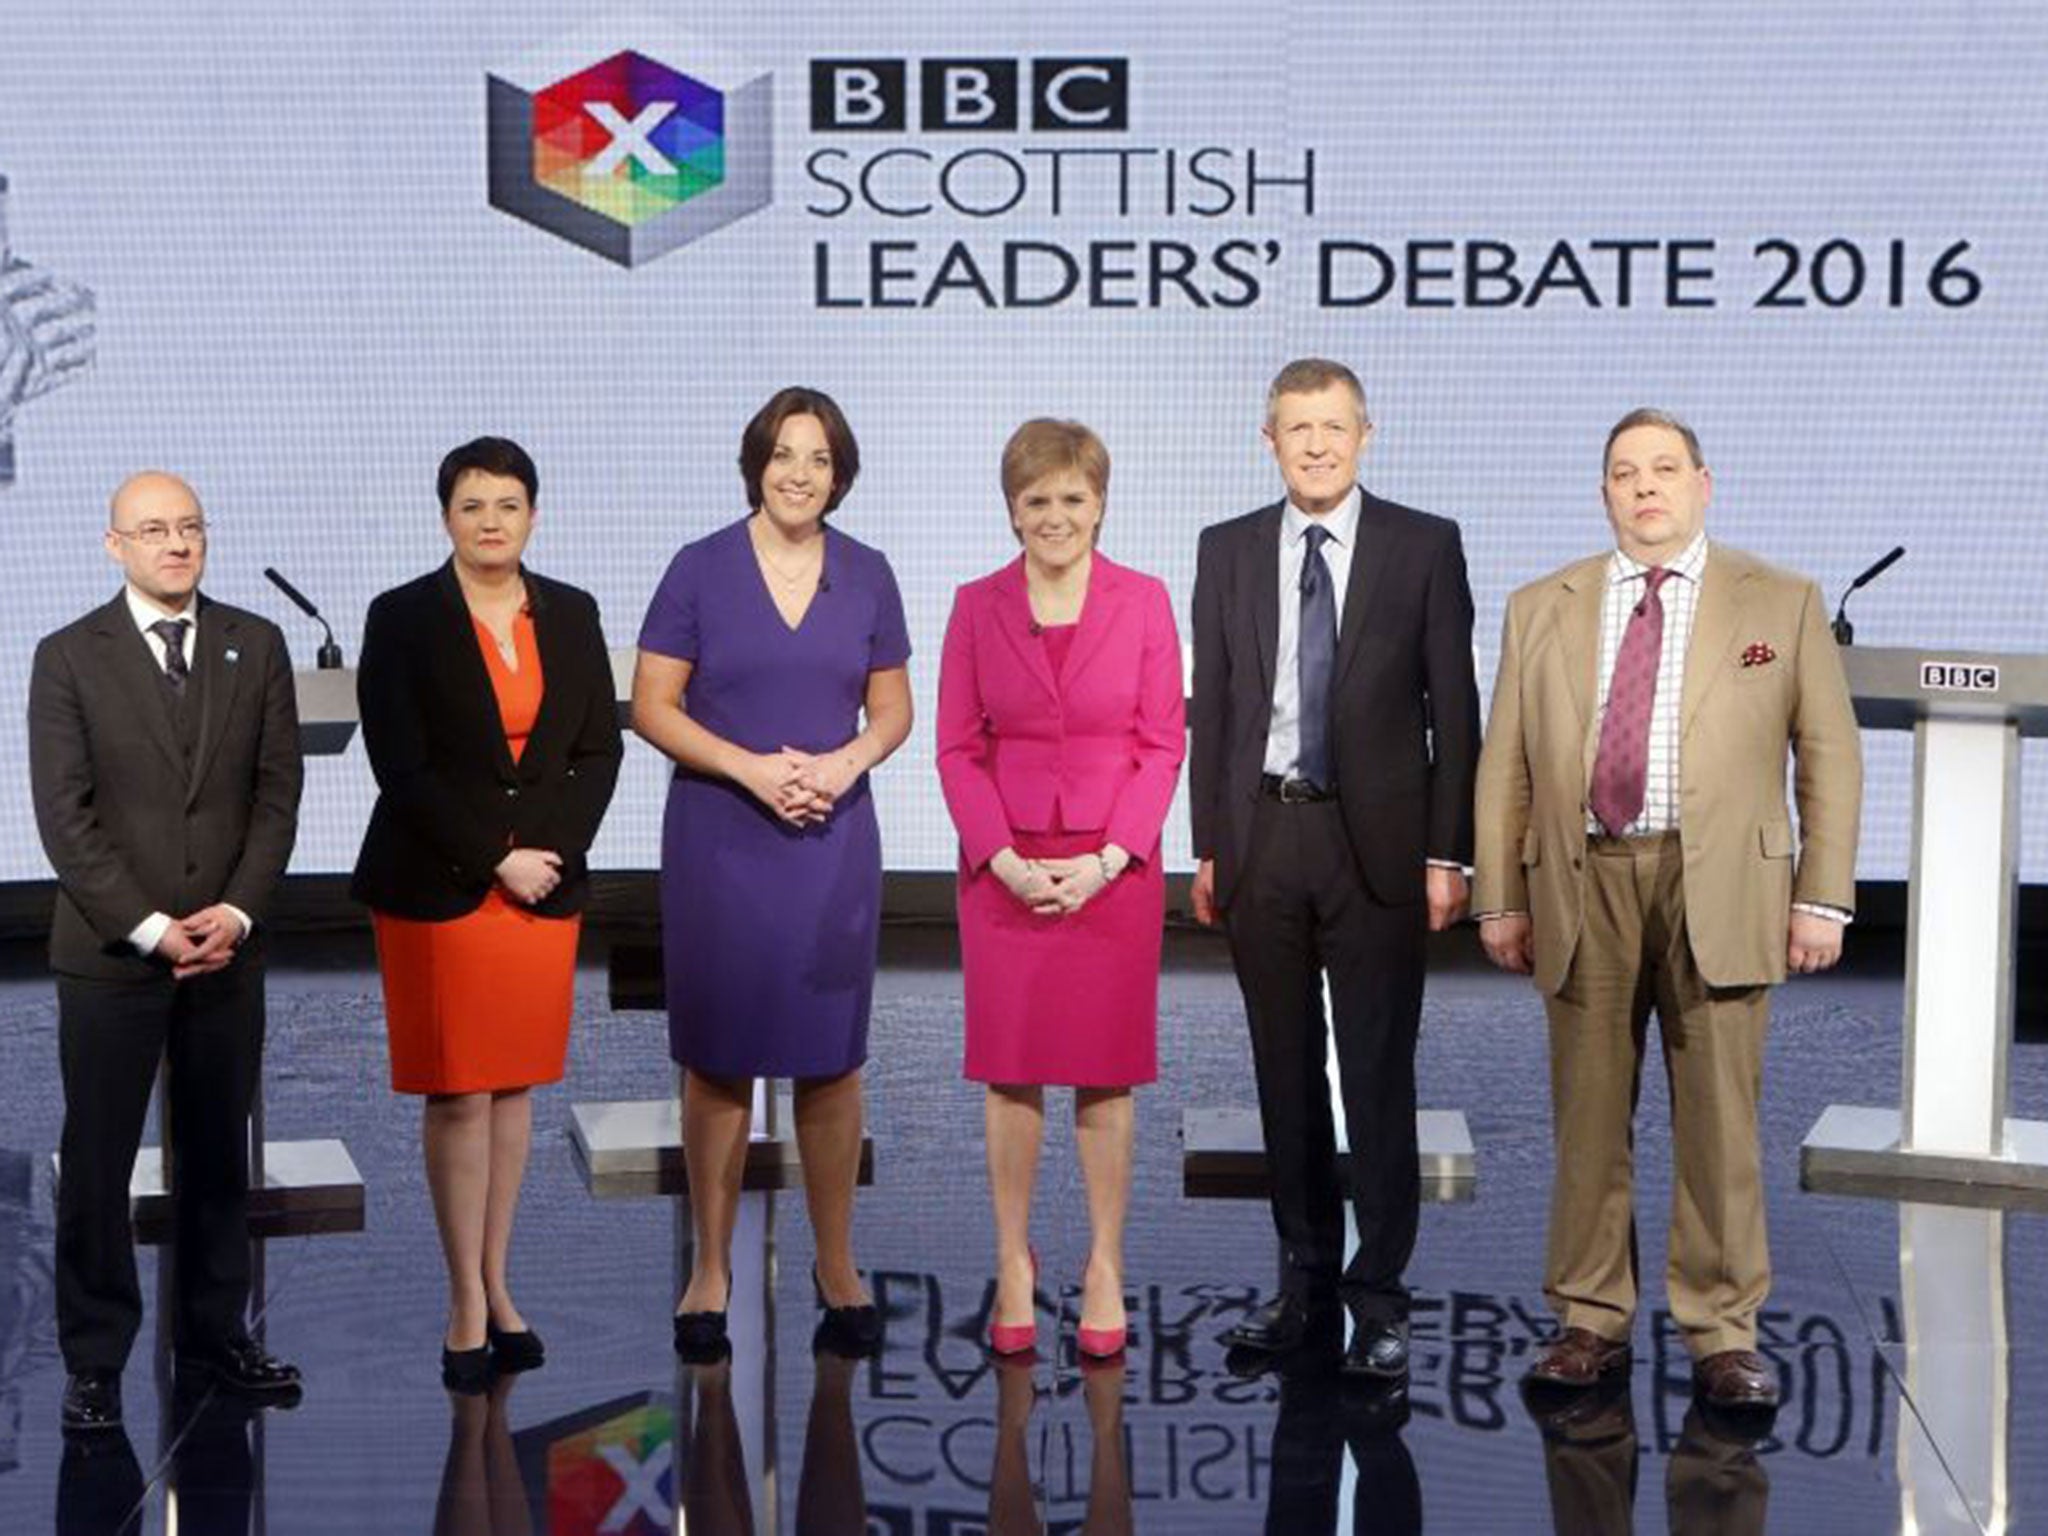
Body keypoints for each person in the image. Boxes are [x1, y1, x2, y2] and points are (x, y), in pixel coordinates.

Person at [1472, 409, 1862, 1408]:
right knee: (1586, 1115)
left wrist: (1821, 893)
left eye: (1661, 469)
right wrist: (1496, 897)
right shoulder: (1539, 606)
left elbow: (1826, 757)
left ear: (1701, 482)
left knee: (1719, 1121)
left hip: (1719, 879)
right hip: (1580, 877)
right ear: (1601, 493)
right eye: (1620, 472)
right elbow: (1503, 764)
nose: (1642, 487)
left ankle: (1721, 1330)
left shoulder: (1779, 600)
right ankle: (1587, 1317)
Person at [1188, 358, 1480, 1380]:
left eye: (1332, 427)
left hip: (1380, 851)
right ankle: (1303, 1281)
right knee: (1281, 1075)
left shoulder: (1422, 546)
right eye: (1295, 429)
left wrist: (1451, 853)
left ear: (1366, 433)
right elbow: (1212, 707)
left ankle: (1382, 1298)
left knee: (1375, 1075)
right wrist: (1209, 846)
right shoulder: (1223, 550)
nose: (1315, 445)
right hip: (1263, 839)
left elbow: (1455, 712)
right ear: (1266, 440)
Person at [632, 386, 913, 1358]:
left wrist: (840, 765)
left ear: (840, 475)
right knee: (718, 1058)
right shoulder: (699, 568)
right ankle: (710, 1268)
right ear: (756, 462)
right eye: (784, 454)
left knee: (831, 1061)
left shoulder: (868, 573)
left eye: (820, 458)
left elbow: (891, 711)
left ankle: (836, 1263)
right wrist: (752, 768)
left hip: (831, 834)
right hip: (721, 833)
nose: (800, 473)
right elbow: (652, 706)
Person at [29, 472, 304, 1434]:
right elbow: (65, 820)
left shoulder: (255, 643)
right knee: (98, 1166)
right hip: (112, 957)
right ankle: (96, 1361)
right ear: (115, 546)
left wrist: (234, 912)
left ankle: (216, 1334)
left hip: (228, 952)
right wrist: (151, 928)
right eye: (154, 530)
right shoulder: (67, 657)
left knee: (217, 1156)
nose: (176, 544)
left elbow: (277, 800)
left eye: (189, 528)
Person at [352, 437, 623, 1390]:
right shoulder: (404, 618)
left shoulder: (575, 613)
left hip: (542, 887)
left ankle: (499, 1283)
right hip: (441, 885)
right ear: (446, 519)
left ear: (534, 515)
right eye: (473, 506)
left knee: (514, 1092)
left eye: (508, 504)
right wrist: (494, 859)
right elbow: (402, 765)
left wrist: (543, 857)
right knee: (459, 1090)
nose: (492, 521)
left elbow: (598, 750)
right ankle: (463, 1297)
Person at [936, 419, 1184, 1359]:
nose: (1055, 516)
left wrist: (1112, 857)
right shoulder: (973, 605)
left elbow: (1163, 743)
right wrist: (998, 857)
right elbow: (957, 745)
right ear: (1011, 509)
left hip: (1108, 871)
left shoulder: (1145, 602)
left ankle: (1106, 1263)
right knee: (1011, 1075)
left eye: (1072, 498)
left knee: (1104, 1079)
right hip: (1005, 872)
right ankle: (1012, 1259)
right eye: (1036, 499)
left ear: (1101, 504)